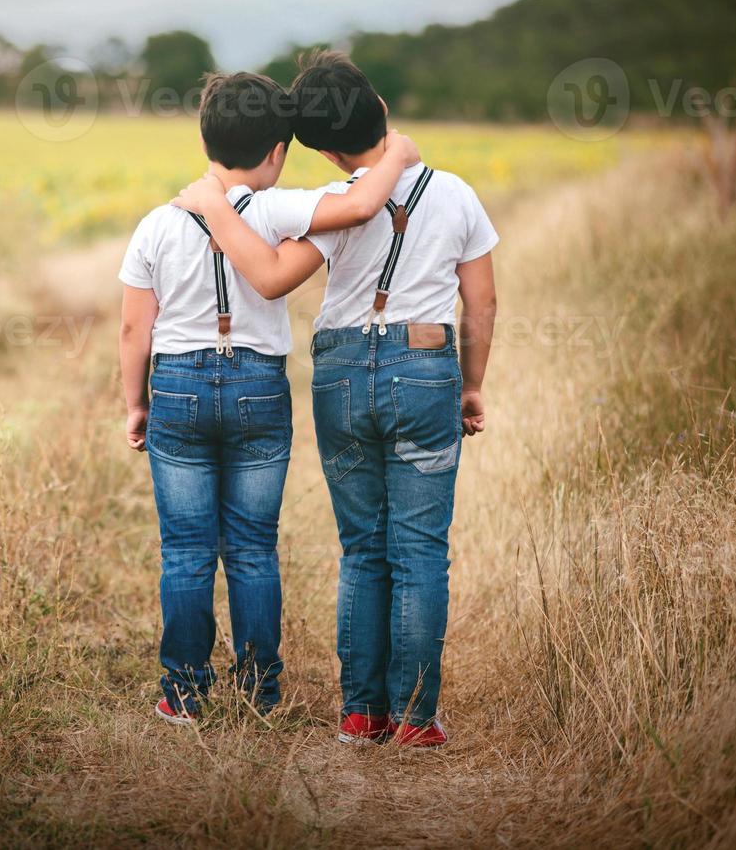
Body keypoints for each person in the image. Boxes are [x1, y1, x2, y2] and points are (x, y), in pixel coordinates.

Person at [172, 50, 498, 747]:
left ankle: (359, 712)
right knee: (419, 550)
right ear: (380, 107)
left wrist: (211, 206)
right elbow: (483, 299)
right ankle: (415, 718)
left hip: (343, 372)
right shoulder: (457, 194)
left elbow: (273, 272)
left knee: (362, 549)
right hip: (426, 364)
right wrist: (470, 385)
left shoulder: (331, 209)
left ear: (320, 149)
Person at [118, 70, 420, 722]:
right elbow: (360, 201)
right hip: (257, 385)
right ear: (277, 152)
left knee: (187, 551)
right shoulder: (281, 209)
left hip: (176, 385)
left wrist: (135, 402)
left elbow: (132, 328)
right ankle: (260, 693)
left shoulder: (156, 225)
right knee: (254, 548)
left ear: (205, 139)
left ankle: (185, 693)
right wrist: (396, 149)